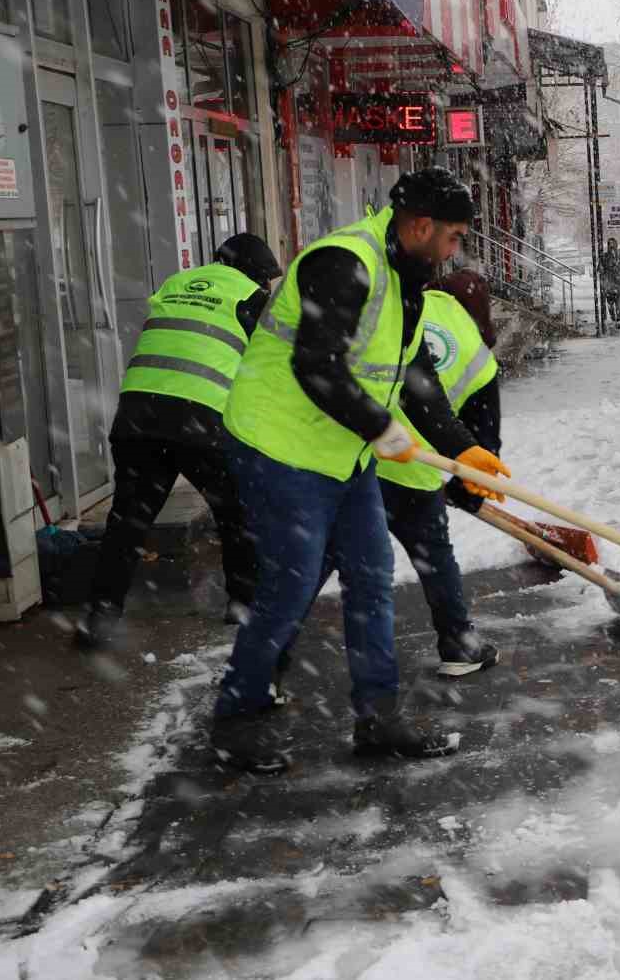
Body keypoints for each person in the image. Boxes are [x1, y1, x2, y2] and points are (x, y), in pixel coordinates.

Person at [208, 168, 512, 774]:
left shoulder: (408, 283)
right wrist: (380, 427)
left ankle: (378, 717)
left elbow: (415, 380)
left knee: (372, 580)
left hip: (343, 454)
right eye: (452, 237)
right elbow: (317, 365)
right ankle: (236, 716)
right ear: (420, 226)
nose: (456, 251)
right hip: (280, 446)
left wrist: (463, 451)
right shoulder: (344, 263)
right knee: (291, 585)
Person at [75, 234, 281, 651]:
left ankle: (99, 617)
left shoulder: (176, 282)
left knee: (128, 521)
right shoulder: (251, 298)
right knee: (238, 513)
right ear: (256, 274)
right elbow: (269, 370)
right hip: (200, 418)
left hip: (138, 417)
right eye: (267, 280)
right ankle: (243, 605)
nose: (268, 288)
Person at [294, 279, 502, 681]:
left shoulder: (403, 307)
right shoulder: (479, 354)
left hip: (356, 454)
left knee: (321, 558)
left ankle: (270, 655)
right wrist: (464, 489)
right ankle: (459, 643)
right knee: (434, 557)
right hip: (414, 470)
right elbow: (483, 441)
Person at [603, 238, 620, 325]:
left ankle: (618, 317)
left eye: (613, 244)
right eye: (610, 244)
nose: (612, 246)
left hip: (617, 282)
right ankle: (613, 316)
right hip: (609, 282)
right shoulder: (605, 256)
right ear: (608, 246)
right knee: (610, 301)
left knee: (617, 299)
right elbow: (601, 268)